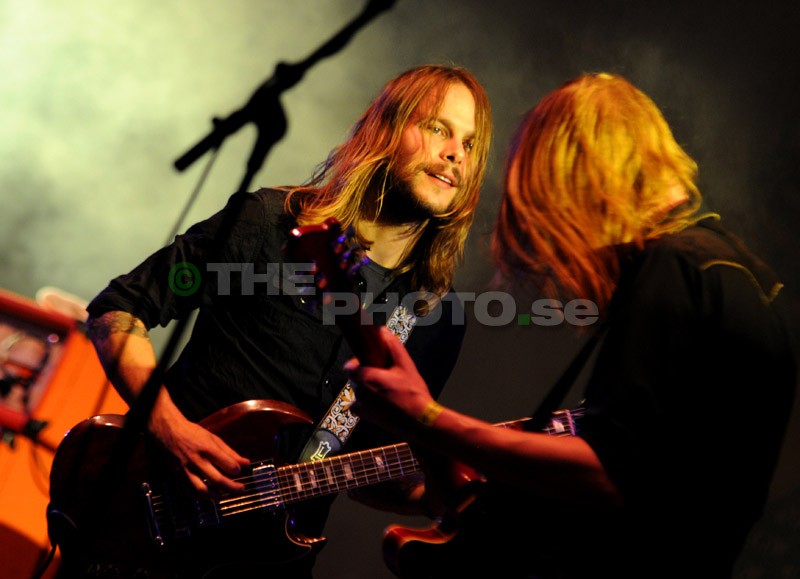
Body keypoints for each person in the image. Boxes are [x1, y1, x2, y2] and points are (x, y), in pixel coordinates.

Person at [344, 72, 797, 578]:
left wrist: (427, 419)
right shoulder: (731, 270)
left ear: (578, 177)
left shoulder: (674, 270)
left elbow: (608, 472)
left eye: (547, 208)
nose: (559, 251)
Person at [58, 64, 492, 578]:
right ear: (386, 129)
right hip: (141, 525)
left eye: (470, 144)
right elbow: (118, 309)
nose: (455, 154)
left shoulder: (436, 317)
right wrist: (168, 427)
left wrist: (434, 494)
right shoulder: (267, 223)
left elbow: (370, 464)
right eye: (439, 128)